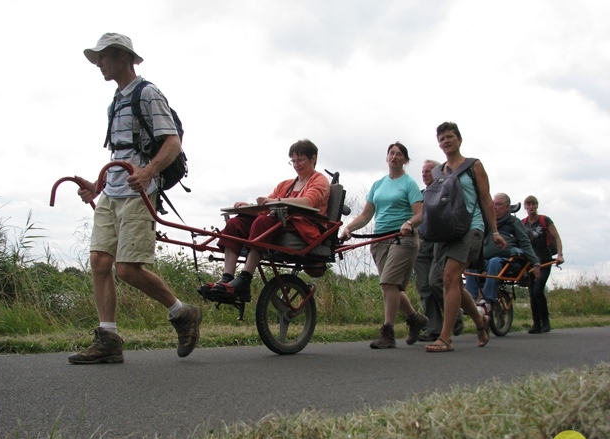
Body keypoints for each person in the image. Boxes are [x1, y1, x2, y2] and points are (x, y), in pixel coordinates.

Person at [69, 33, 202, 364]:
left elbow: (171, 142)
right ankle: (108, 339)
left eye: (103, 57)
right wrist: (96, 185)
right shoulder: (115, 101)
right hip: (112, 191)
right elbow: (121, 152)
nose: (99, 64)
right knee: (100, 262)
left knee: (127, 269)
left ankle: (182, 313)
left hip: (140, 192)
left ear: (121, 57)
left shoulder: (147, 94)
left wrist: (148, 172)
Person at [203, 139, 330, 301]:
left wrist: (274, 203)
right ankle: (227, 278)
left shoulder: (319, 180)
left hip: (303, 228)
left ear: (313, 159)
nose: (296, 164)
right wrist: (248, 207)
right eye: (293, 161)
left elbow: (308, 202)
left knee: (262, 223)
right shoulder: (285, 185)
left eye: (301, 160)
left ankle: (245, 279)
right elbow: (265, 208)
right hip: (281, 223)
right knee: (235, 223)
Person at [425, 122, 506, 353]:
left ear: (459, 139)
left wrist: (495, 232)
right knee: (443, 281)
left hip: (472, 226)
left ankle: (445, 338)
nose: (446, 141)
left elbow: (486, 199)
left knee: (450, 277)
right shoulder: (437, 172)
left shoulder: (473, 165)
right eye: (441, 139)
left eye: (450, 137)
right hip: (446, 231)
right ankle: (481, 321)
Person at [340, 141, 428, 349]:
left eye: (399, 154)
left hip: (402, 238)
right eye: (391, 153)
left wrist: (408, 223)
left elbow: (420, 214)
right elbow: (365, 215)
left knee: (388, 283)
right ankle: (415, 319)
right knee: (391, 287)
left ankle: (388, 333)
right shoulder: (378, 185)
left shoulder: (409, 184)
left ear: (405, 160)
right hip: (380, 240)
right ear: (387, 157)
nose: (394, 157)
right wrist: (348, 228)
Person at [465, 193, 540, 313]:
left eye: (499, 205)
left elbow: (525, 243)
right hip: (486, 261)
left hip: (509, 262)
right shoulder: (488, 223)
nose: (494, 207)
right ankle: (470, 300)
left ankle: (487, 301)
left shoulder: (514, 222)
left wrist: (535, 263)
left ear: (507, 208)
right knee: (471, 264)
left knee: (495, 261)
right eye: (493, 204)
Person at [415, 160, 464, 342]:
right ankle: (433, 327)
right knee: (424, 286)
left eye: (429, 170)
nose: (425, 174)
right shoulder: (420, 196)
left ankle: (455, 315)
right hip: (421, 239)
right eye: (423, 171)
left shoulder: (447, 190)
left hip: (439, 240)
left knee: (436, 281)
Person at [522, 195, 564, 333]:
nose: (531, 207)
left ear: (537, 205)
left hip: (545, 260)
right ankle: (536, 324)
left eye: (533, 204)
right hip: (530, 262)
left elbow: (556, 237)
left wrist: (559, 254)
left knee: (538, 290)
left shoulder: (544, 220)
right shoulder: (523, 223)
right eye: (528, 205)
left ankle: (546, 322)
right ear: (525, 207)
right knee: (532, 293)